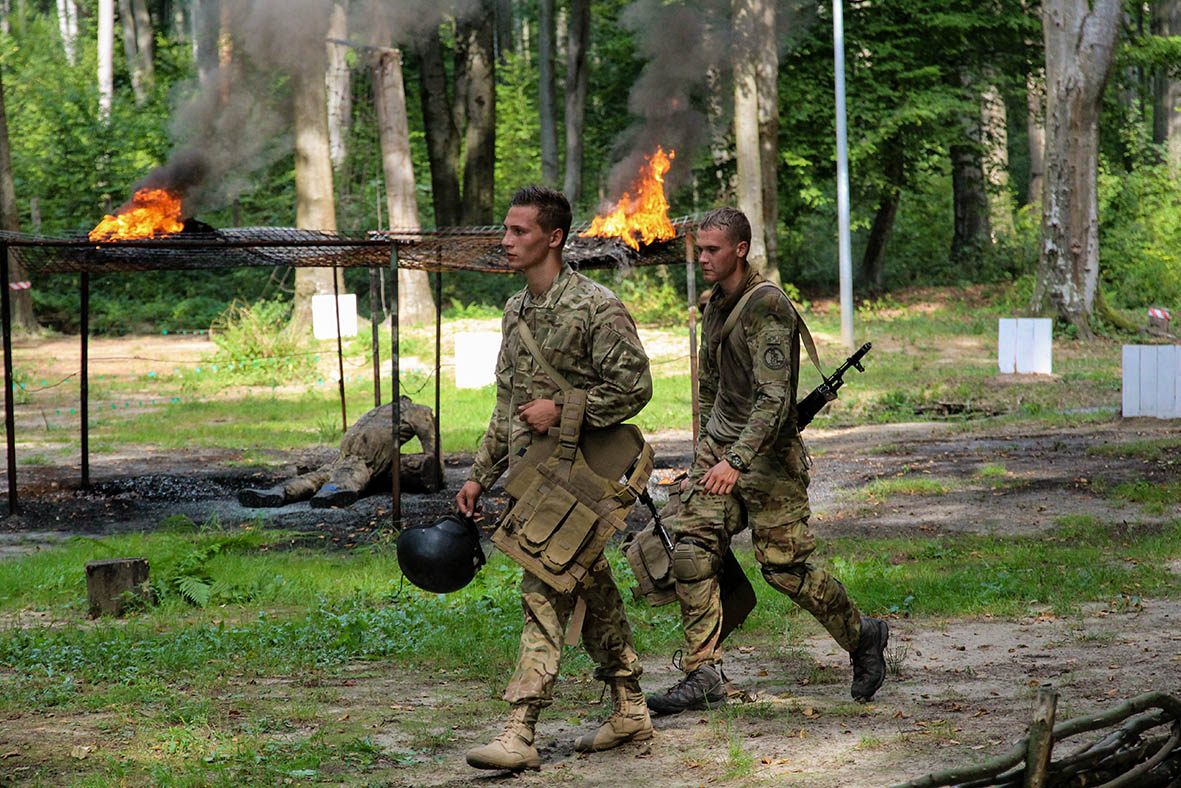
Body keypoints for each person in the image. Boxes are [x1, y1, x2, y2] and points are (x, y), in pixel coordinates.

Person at [645, 207, 889, 716]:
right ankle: (702, 673)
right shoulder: (714, 303)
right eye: (701, 248)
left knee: (784, 569)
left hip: (769, 461)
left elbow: (774, 400)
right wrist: (706, 454)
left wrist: (734, 460)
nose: (703, 257)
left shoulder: (765, 307)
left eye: (713, 249)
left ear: (739, 250)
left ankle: (862, 636)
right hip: (722, 454)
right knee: (690, 549)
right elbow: (710, 388)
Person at [456, 186, 654, 771]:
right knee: (588, 585)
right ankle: (630, 707)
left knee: (543, 586)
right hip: (534, 475)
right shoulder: (515, 311)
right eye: (507, 230)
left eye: (519, 231)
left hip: (584, 480)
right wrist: (478, 476)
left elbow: (635, 389)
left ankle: (520, 731)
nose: (506, 240)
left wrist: (565, 409)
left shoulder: (597, 307)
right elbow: (505, 404)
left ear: (555, 237)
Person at [237, 396, 439, 508]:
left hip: (348, 443)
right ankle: (330, 493)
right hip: (367, 449)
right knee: (350, 476)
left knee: (319, 475)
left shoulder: (382, 410)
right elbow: (432, 447)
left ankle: (281, 491)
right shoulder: (420, 411)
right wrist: (438, 476)